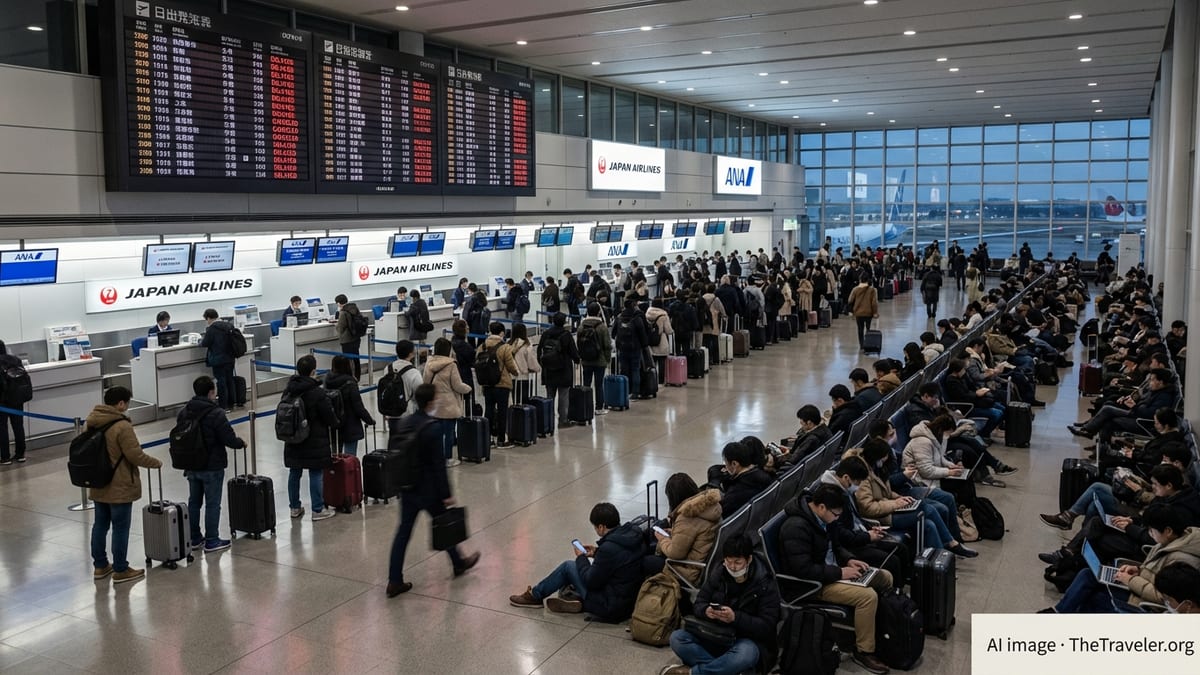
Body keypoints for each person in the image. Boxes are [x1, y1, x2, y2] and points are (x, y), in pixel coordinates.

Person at [778, 484, 892, 674]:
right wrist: (840, 573)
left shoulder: (825, 519)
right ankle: (864, 650)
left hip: (832, 573)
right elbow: (803, 570)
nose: (837, 518)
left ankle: (881, 629)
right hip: (813, 585)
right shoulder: (795, 528)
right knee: (867, 597)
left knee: (885, 577)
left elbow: (836, 546)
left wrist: (849, 559)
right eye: (836, 514)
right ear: (821, 507)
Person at [386, 384, 481, 597]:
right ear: (431, 401)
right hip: (428, 489)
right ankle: (458, 563)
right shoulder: (432, 428)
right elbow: (439, 465)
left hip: (408, 487)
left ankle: (394, 580)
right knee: (444, 525)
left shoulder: (405, 423)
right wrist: (446, 493)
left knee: (403, 533)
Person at [1041, 504, 1200, 614]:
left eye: (1152, 531)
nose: (1150, 535)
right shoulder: (1170, 541)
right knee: (1086, 574)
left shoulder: (1183, 559)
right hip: (1136, 583)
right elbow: (1154, 570)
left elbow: (1164, 596)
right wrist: (1138, 570)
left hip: (1140, 597)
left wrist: (1130, 580)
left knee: (1092, 598)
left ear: (1168, 530)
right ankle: (1060, 611)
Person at [661, 535, 781, 675]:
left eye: (737, 562)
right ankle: (727, 669)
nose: (733, 567)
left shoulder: (764, 583)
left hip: (745, 641)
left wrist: (735, 618)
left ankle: (694, 673)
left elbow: (767, 626)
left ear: (749, 559)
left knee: (746, 654)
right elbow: (699, 603)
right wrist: (706, 611)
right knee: (677, 638)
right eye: (728, 562)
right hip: (716, 635)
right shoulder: (719, 572)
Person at [509, 503, 645, 620]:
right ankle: (572, 597)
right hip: (629, 602)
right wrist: (597, 552)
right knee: (576, 571)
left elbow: (591, 581)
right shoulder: (633, 535)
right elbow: (620, 560)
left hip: (609, 606)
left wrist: (581, 557)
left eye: (596, 527)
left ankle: (535, 596)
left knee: (568, 567)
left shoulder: (608, 549)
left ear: (602, 527)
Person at [88, 386, 162, 584]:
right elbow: (134, 455)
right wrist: (156, 462)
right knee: (120, 527)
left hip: (97, 482)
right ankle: (120, 569)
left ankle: (100, 566)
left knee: (100, 525)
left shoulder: (91, 421)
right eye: (127, 403)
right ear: (121, 403)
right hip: (119, 485)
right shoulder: (122, 426)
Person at [178, 376, 245, 553]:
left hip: (191, 463)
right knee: (213, 503)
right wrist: (240, 443)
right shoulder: (216, 413)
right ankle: (212, 540)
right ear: (211, 392)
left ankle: (194, 538)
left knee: (194, 502)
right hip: (212, 465)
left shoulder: (184, 411)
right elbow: (228, 439)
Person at [282, 355, 340, 521]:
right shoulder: (317, 392)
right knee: (315, 473)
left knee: (294, 472)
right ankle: (317, 509)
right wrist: (336, 422)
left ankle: (294, 507)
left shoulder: (289, 389)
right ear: (313, 371)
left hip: (293, 439)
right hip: (314, 439)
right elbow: (329, 416)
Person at [647, 473, 721, 584]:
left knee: (646, 561)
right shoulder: (710, 505)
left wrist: (662, 539)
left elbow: (675, 553)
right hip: (704, 561)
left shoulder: (687, 516)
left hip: (687, 571)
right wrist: (673, 532)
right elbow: (696, 532)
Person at [423, 338, 473, 467]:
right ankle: (448, 458)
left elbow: (425, 383)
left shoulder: (429, 363)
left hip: (434, 405)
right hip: (448, 405)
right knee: (449, 433)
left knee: (436, 433)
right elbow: (457, 385)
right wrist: (468, 388)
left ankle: (436, 457)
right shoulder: (451, 365)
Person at [478, 321, 519, 448]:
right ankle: (501, 440)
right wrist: (516, 372)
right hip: (502, 384)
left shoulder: (483, 346)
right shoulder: (504, 347)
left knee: (489, 410)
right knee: (502, 412)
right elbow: (510, 365)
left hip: (487, 384)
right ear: (501, 333)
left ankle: (488, 439)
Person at [325, 355, 375, 456]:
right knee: (350, 458)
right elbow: (358, 406)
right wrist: (369, 420)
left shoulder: (327, 380)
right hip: (350, 424)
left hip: (334, 424)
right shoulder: (350, 383)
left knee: (335, 458)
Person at [537, 313, 580, 428]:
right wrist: (577, 360)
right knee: (563, 395)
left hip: (548, 370)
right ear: (564, 322)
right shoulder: (566, 335)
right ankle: (563, 420)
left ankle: (548, 421)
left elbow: (539, 350)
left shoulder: (546, 334)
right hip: (563, 370)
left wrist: (543, 364)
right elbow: (574, 353)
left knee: (550, 396)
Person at [716, 441, 776, 517]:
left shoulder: (734, 495)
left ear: (734, 464)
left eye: (725, 462)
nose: (725, 466)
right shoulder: (765, 476)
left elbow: (722, 513)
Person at [576, 302, 612, 415]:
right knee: (598, 384)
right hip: (599, 360)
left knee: (586, 384)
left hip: (586, 360)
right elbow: (607, 345)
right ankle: (599, 407)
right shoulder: (602, 327)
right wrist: (607, 359)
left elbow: (579, 343)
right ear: (598, 312)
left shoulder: (581, 326)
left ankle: (586, 406)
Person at [199, 308, 238, 411]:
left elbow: (205, 343)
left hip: (218, 360)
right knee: (230, 380)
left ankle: (223, 406)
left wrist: (199, 341)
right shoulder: (228, 325)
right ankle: (231, 404)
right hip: (230, 358)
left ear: (208, 318)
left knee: (221, 383)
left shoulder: (212, 329)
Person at [614, 297, 650, 400]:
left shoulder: (619, 317)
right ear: (633, 306)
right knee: (635, 370)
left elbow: (613, 333)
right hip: (635, 348)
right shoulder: (637, 318)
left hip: (622, 348)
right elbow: (642, 334)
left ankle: (624, 390)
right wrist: (645, 346)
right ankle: (635, 393)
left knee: (624, 370)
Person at [0, 340, 28, 465]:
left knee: (2, 428)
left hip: (2, 399)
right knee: (18, 426)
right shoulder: (15, 360)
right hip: (17, 397)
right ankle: (20, 454)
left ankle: (5, 457)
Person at [334, 294, 365, 380]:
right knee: (356, 358)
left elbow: (340, 328)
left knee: (347, 360)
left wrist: (335, 324)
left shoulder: (343, 312)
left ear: (339, 303)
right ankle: (357, 377)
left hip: (347, 340)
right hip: (356, 338)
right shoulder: (354, 308)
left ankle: (349, 377)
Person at [509, 322, 541, 405]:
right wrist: (537, 368)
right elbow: (532, 363)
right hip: (523, 377)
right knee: (524, 403)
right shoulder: (526, 345)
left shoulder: (508, 344)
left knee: (515, 401)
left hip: (511, 377)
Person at [392, 340, 425, 418]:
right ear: (411, 354)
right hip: (407, 413)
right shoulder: (414, 372)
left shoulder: (388, 368)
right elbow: (419, 394)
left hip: (391, 412)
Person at [848, 272, 880, 350]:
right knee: (868, 328)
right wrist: (875, 312)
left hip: (858, 313)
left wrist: (851, 311)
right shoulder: (872, 290)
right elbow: (874, 303)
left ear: (860, 279)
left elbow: (850, 301)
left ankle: (861, 345)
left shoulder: (855, 289)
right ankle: (868, 343)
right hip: (869, 313)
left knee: (860, 329)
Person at [645, 297, 674, 381]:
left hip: (650, 341)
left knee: (652, 362)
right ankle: (661, 380)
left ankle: (652, 380)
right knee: (662, 362)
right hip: (661, 341)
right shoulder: (663, 315)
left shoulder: (647, 313)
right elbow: (668, 330)